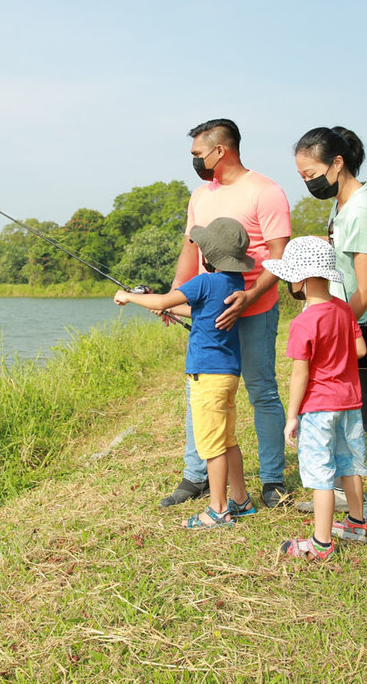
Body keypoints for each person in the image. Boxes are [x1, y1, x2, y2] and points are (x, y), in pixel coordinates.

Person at [161, 118, 291, 510]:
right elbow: (191, 250)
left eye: (198, 154)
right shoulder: (200, 196)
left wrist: (249, 297)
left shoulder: (266, 192)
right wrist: (172, 295)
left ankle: (272, 479)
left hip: (255, 308)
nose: (195, 161)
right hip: (210, 313)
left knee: (261, 391)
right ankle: (195, 475)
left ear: (220, 151)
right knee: (198, 390)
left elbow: (279, 257)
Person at [115, 217, 257, 529]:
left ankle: (218, 509)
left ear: (207, 255)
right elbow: (195, 309)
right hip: (228, 374)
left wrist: (129, 297)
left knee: (212, 445)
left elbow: (168, 297)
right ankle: (242, 499)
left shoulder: (204, 281)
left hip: (206, 377)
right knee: (228, 440)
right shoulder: (235, 284)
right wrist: (165, 307)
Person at [293, 127, 367, 529]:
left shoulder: (361, 210)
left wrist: (336, 329)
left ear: (337, 163)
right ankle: (345, 489)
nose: (308, 182)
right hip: (347, 325)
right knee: (342, 410)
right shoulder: (341, 206)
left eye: (311, 173)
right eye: (302, 176)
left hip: (366, 328)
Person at [262, 236, 367, 560]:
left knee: (321, 473)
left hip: (319, 407)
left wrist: (292, 416)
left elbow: (300, 374)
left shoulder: (303, 322)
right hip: (349, 402)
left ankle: (321, 544)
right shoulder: (343, 310)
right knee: (349, 464)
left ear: (303, 278)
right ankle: (356, 523)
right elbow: (361, 349)